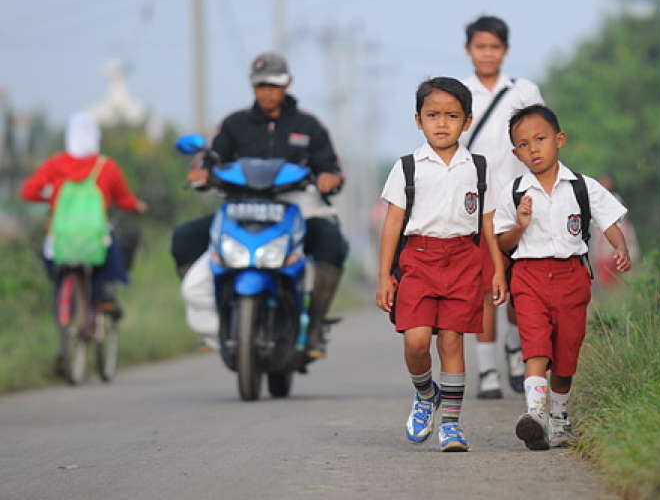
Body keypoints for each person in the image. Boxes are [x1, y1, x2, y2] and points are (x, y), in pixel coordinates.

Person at [171, 51, 348, 359]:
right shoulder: (234, 124)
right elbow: (212, 159)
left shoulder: (308, 126)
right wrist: (202, 173)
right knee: (184, 237)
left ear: (288, 83)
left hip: (297, 206)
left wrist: (329, 177)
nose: (267, 91)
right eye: (261, 85)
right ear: (252, 86)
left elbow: (329, 166)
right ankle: (220, 315)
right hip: (242, 205)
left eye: (274, 84)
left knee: (332, 241)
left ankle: (315, 326)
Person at [376, 77, 508, 452]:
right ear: (418, 120)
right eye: (433, 115)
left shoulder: (479, 169)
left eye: (452, 116)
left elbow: (487, 225)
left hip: (464, 261)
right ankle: (424, 393)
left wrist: (496, 269)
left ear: (467, 122)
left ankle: (451, 424)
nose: (442, 123)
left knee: (452, 340)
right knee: (417, 341)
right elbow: (392, 225)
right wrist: (384, 275)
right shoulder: (407, 167)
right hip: (418, 260)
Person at [494, 105, 631, 450]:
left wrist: (621, 247)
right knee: (535, 345)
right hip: (528, 277)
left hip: (572, 276)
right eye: (523, 144)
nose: (533, 149)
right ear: (515, 153)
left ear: (559, 140)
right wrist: (520, 225)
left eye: (540, 139)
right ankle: (535, 414)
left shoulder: (583, 187)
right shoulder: (513, 192)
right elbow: (501, 242)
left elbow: (607, 220)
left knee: (567, 351)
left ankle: (559, 419)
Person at [461, 15, 546, 399]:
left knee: (519, 283)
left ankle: (515, 348)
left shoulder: (523, 91)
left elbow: (539, 140)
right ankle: (488, 371)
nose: (487, 54)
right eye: (481, 47)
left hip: (519, 199)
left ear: (505, 51)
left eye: (494, 47)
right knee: (484, 288)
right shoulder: (457, 93)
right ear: (469, 50)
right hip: (476, 203)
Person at [20, 112, 147, 366]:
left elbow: (28, 192)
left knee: (55, 269)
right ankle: (105, 298)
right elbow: (123, 198)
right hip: (95, 238)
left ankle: (63, 317)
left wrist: (53, 197)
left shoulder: (55, 165)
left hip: (61, 239)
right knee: (109, 260)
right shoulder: (105, 166)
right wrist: (138, 206)